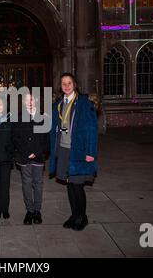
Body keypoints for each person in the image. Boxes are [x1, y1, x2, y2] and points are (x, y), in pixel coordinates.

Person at [49, 73, 98, 231]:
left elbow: (92, 129)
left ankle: (82, 217)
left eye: (69, 83)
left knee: (77, 185)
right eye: (63, 83)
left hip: (78, 150)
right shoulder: (59, 103)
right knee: (69, 185)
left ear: (75, 84)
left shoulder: (84, 103)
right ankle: (73, 214)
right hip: (63, 150)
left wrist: (90, 152)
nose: (66, 86)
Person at [12, 93, 49, 225]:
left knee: (38, 184)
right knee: (26, 183)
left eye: (32, 99)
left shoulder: (43, 118)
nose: (29, 102)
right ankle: (29, 210)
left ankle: (37, 210)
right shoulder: (18, 118)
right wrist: (26, 152)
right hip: (24, 156)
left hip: (38, 157)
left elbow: (46, 140)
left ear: (37, 100)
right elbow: (15, 138)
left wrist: (36, 152)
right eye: (27, 100)